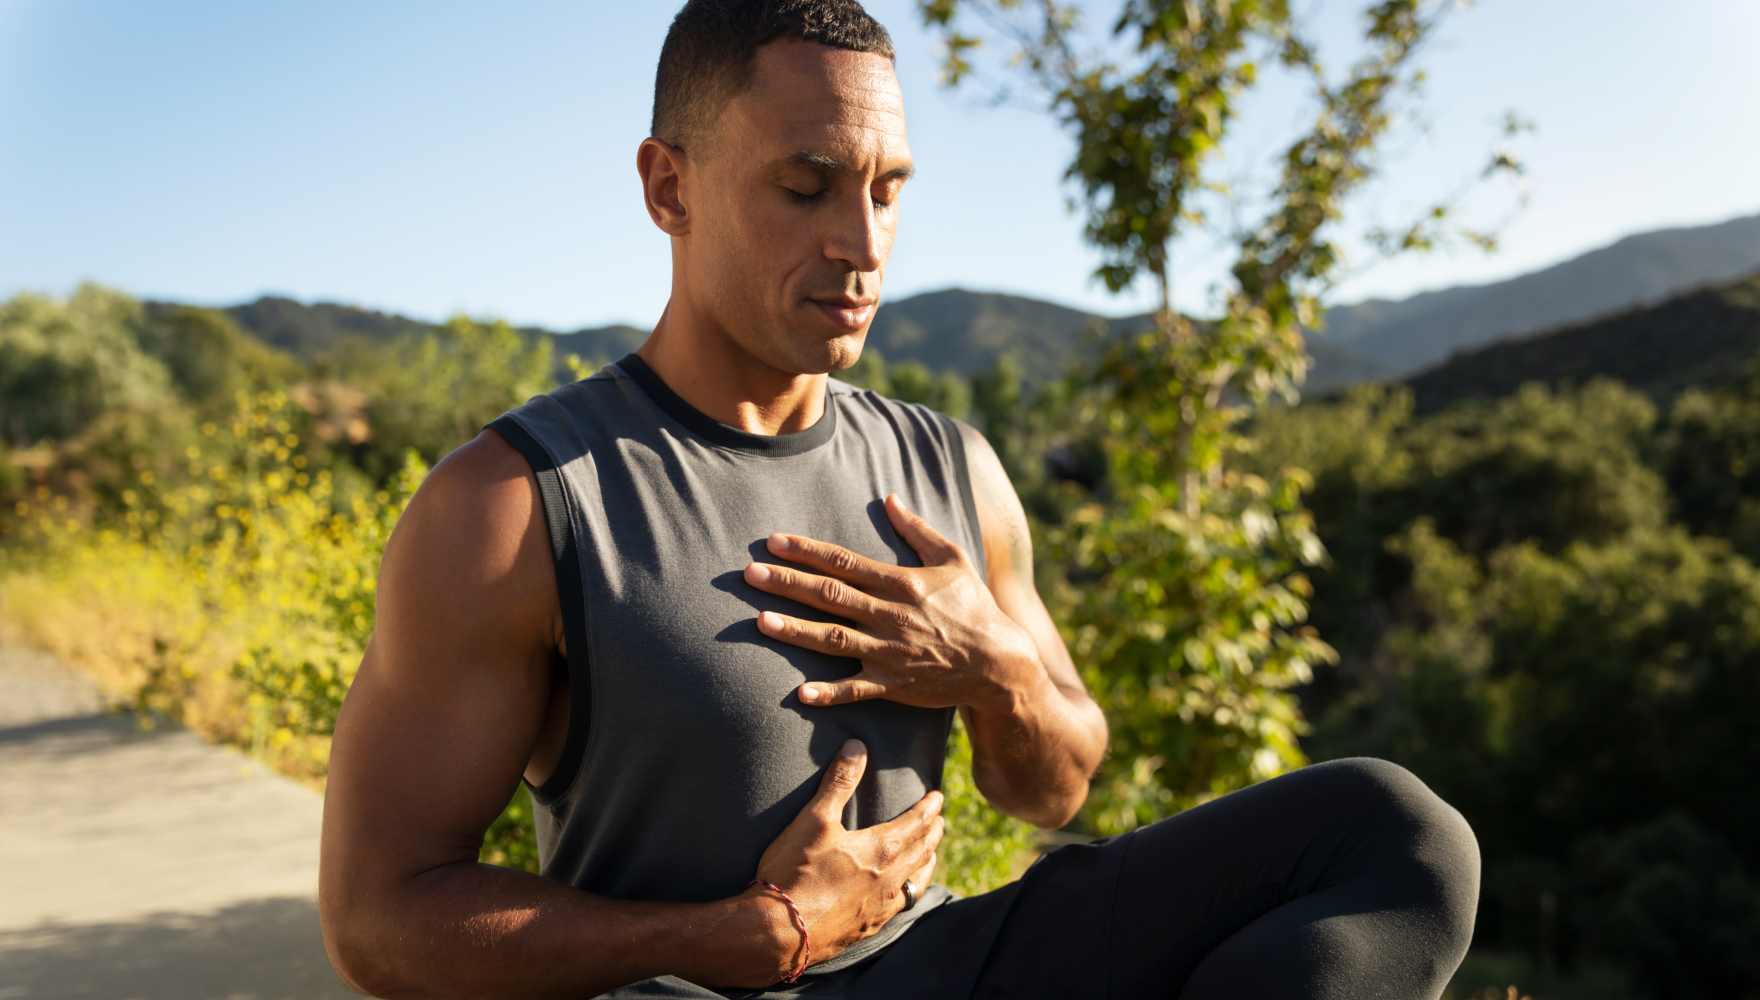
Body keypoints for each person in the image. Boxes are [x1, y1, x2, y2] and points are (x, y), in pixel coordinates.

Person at [316, 1, 1482, 997]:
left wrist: (1001, 672)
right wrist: (740, 936)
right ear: (668, 187)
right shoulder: (515, 503)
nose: (861, 242)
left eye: (886, 189)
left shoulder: (951, 467)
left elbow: (1052, 787)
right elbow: (378, 917)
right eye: (806, 186)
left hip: (938, 965)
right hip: (687, 987)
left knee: (1391, 829)